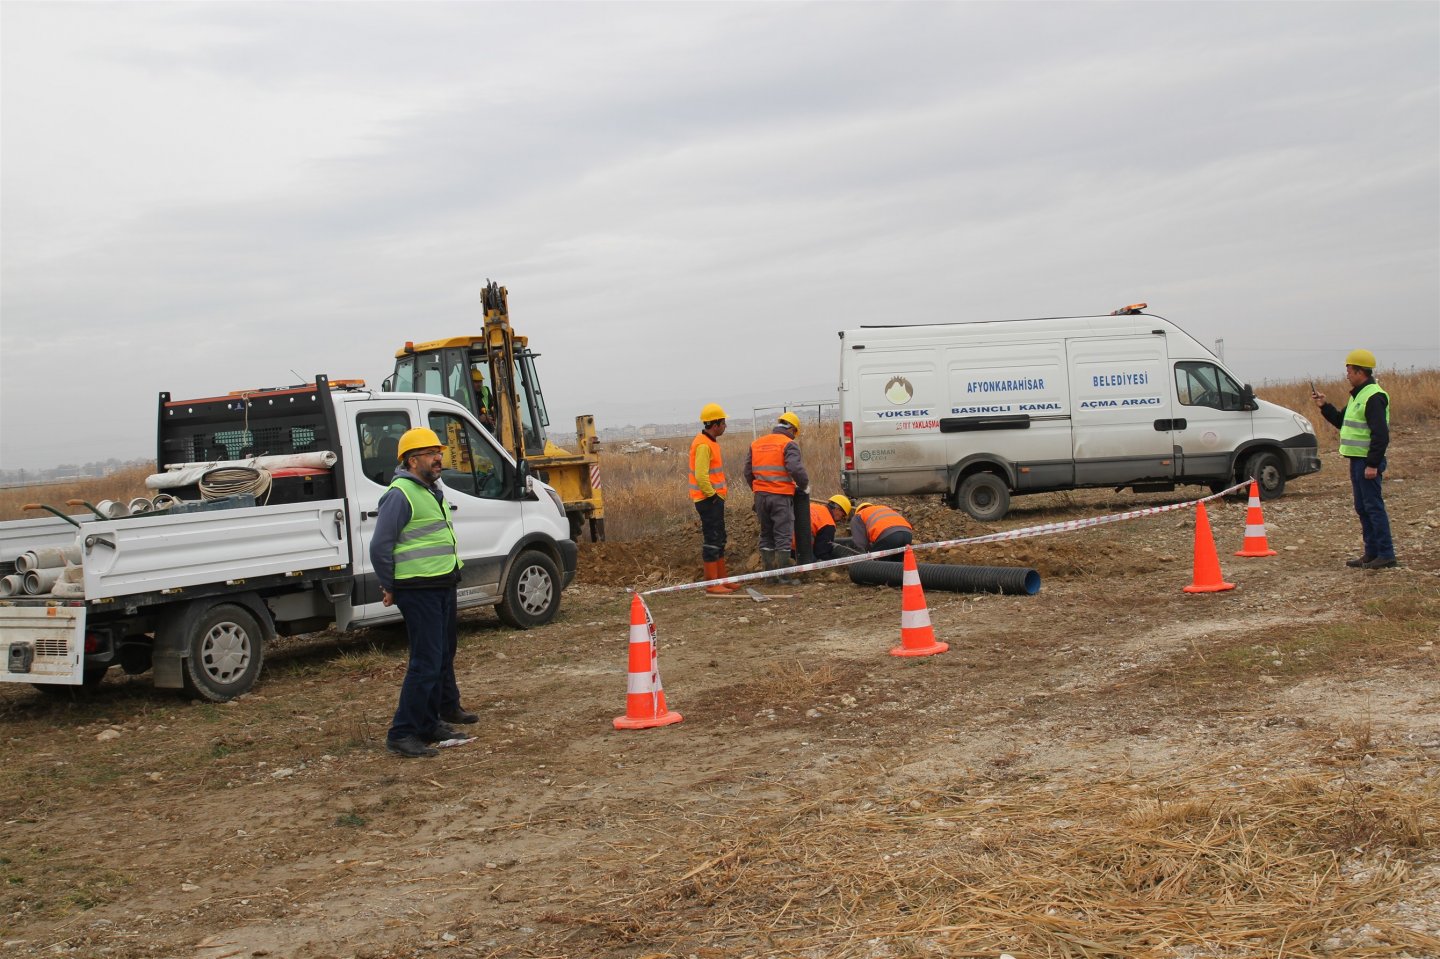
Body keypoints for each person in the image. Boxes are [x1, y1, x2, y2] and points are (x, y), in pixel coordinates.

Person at [371, 427, 480, 758]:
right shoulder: (400, 494)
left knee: (442, 655)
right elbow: (380, 546)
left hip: (441, 583)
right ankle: (402, 733)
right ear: (411, 459)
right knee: (426, 662)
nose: (438, 459)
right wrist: (390, 585)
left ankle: (428, 723)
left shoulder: (431, 490)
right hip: (418, 589)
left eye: (439, 452)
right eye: (431, 454)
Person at [1312, 349, 1397, 569]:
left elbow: (1381, 434)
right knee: (1363, 507)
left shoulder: (1373, 396)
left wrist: (1372, 464)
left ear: (1360, 372)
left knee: (1373, 507)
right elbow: (1342, 421)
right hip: (1357, 460)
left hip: (1366, 462)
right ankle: (1371, 553)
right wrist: (1324, 406)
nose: (1347, 374)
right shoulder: (1358, 395)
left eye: (1349, 370)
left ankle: (1386, 554)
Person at [744, 412, 810, 582]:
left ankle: (769, 577)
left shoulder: (756, 443)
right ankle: (784, 577)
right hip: (780, 496)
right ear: (793, 429)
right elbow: (795, 468)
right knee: (783, 536)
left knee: (766, 535)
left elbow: (747, 472)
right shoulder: (789, 444)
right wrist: (804, 486)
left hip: (761, 497)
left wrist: (757, 489)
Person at [688, 403, 738, 595]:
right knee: (712, 539)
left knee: (720, 538)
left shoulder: (710, 443)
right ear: (715, 424)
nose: (725, 426)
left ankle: (722, 580)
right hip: (708, 500)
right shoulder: (703, 444)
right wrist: (713, 495)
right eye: (723, 422)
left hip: (713, 499)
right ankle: (712, 583)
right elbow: (701, 476)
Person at [829, 495, 913, 560]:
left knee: (875, 567)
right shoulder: (883, 508)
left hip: (888, 537)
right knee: (896, 567)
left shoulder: (859, 515)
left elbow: (860, 543)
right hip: (907, 534)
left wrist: (867, 553)